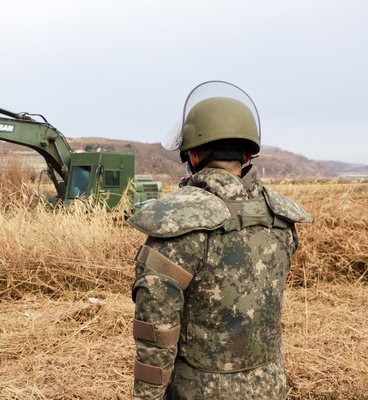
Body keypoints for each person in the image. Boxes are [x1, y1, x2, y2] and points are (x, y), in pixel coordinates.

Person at [127, 81, 311, 399]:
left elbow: (156, 331)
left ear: (194, 154)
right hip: (269, 387)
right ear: (246, 154)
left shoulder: (178, 223)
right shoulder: (280, 218)